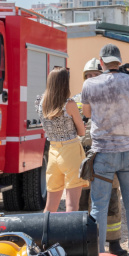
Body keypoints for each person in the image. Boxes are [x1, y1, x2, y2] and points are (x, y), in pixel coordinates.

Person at [79, 44, 129, 256]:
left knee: (98, 204)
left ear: (101, 61)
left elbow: (87, 114)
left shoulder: (89, 84)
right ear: (119, 60)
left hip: (103, 151)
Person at [75, 58, 128, 256]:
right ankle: (82, 242)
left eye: (95, 75)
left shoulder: (114, 100)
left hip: (108, 152)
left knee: (112, 199)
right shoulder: (76, 100)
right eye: (88, 76)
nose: (91, 79)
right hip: (84, 155)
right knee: (83, 200)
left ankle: (113, 242)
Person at [36, 67, 87, 212]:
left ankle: (46, 234)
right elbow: (82, 132)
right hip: (70, 151)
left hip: (53, 151)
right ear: (65, 83)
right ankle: (71, 235)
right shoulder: (69, 104)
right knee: (71, 205)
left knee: (50, 206)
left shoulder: (42, 103)